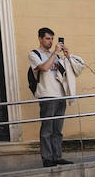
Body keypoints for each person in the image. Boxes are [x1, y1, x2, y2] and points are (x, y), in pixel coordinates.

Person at [29, 28, 86, 167]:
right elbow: (44, 68)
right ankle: (47, 159)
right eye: (48, 38)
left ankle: (57, 156)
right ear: (40, 39)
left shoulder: (58, 56)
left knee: (57, 130)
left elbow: (71, 72)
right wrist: (54, 53)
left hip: (61, 95)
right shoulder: (34, 54)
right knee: (47, 129)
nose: (50, 41)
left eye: (52, 39)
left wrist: (67, 56)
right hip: (47, 95)